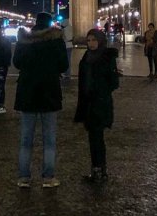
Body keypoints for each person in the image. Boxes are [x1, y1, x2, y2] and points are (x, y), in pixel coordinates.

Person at [13, 12, 70, 188]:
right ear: (49, 24)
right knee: (49, 139)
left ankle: (24, 178)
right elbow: (64, 65)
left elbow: (16, 63)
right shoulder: (56, 40)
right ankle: (48, 177)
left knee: (26, 138)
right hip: (49, 92)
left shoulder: (24, 40)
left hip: (27, 92)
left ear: (35, 24)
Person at [74, 28, 119, 183]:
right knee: (94, 138)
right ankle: (97, 169)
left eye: (94, 40)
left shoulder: (107, 57)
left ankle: (100, 170)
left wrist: (100, 92)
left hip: (100, 103)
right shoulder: (87, 56)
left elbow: (114, 83)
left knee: (97, 138)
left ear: (100, 41)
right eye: (88, 40)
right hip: (88, 104)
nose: (91, 43)